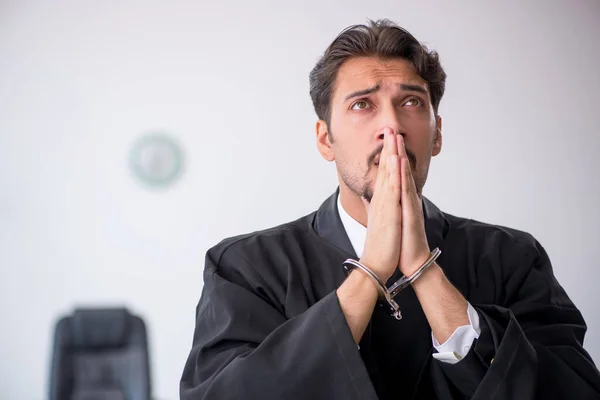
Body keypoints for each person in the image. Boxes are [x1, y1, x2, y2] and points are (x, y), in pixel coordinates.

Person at [180, 19, 600, 399]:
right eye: (363, 104)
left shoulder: (512, 257)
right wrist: (371, 271)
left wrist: (422, 268)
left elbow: (571, 391)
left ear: (436, 136)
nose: (393, 126)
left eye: (412, 103)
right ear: (326, 139)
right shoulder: (245, 268)